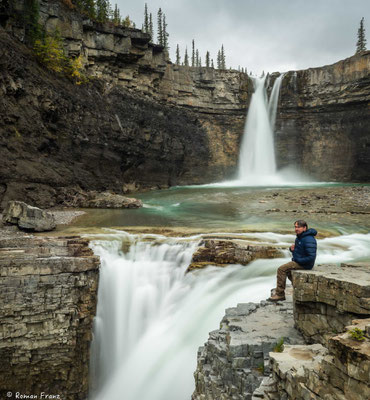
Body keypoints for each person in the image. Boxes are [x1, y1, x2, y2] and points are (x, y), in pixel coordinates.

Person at [268, 220, 317, 302]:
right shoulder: (300, 237)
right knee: (288, 271)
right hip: (299, 261)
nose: (296, 229)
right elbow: (300, 252)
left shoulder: (309, 239)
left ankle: (280, 295)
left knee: (281, 269)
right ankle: (300, 288)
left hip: (305, 264)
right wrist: (292, 250)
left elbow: (311, 257)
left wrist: (298, 260)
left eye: (298, 227)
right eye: (295, 227)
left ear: (304, 228)